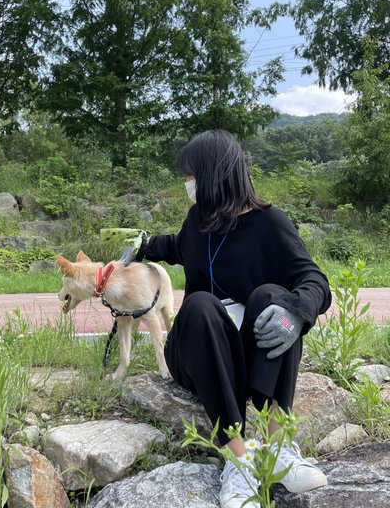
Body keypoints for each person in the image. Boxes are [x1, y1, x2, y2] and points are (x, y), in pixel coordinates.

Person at [123, 129, 331, 508]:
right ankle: (238, 459)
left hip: (247, 358)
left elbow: (314, 280)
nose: (187, 184)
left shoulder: (271, 224)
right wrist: (141, 247)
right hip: (196, 353)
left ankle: (278, 447)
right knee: (201, 303)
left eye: (191, 176)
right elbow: (176, 246)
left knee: (274, 298)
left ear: (214, 175)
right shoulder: (198, 220)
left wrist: (296, 313)